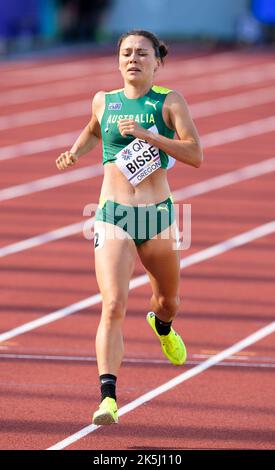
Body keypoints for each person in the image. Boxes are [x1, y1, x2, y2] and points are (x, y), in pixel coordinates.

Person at [56, 29, 203, 425]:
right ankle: (108, 397)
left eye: (142, 53)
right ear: (118, 61)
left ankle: (163, 325)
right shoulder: (104, 101)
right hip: (112, 215)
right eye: (126, 53)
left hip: (157, 216)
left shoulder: (169, 102)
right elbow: (92, 129)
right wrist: (74, 152)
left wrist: (149, 137)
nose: (133, 59)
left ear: (158, 62)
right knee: (113, 304)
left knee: (168, 301)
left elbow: (196, 154)